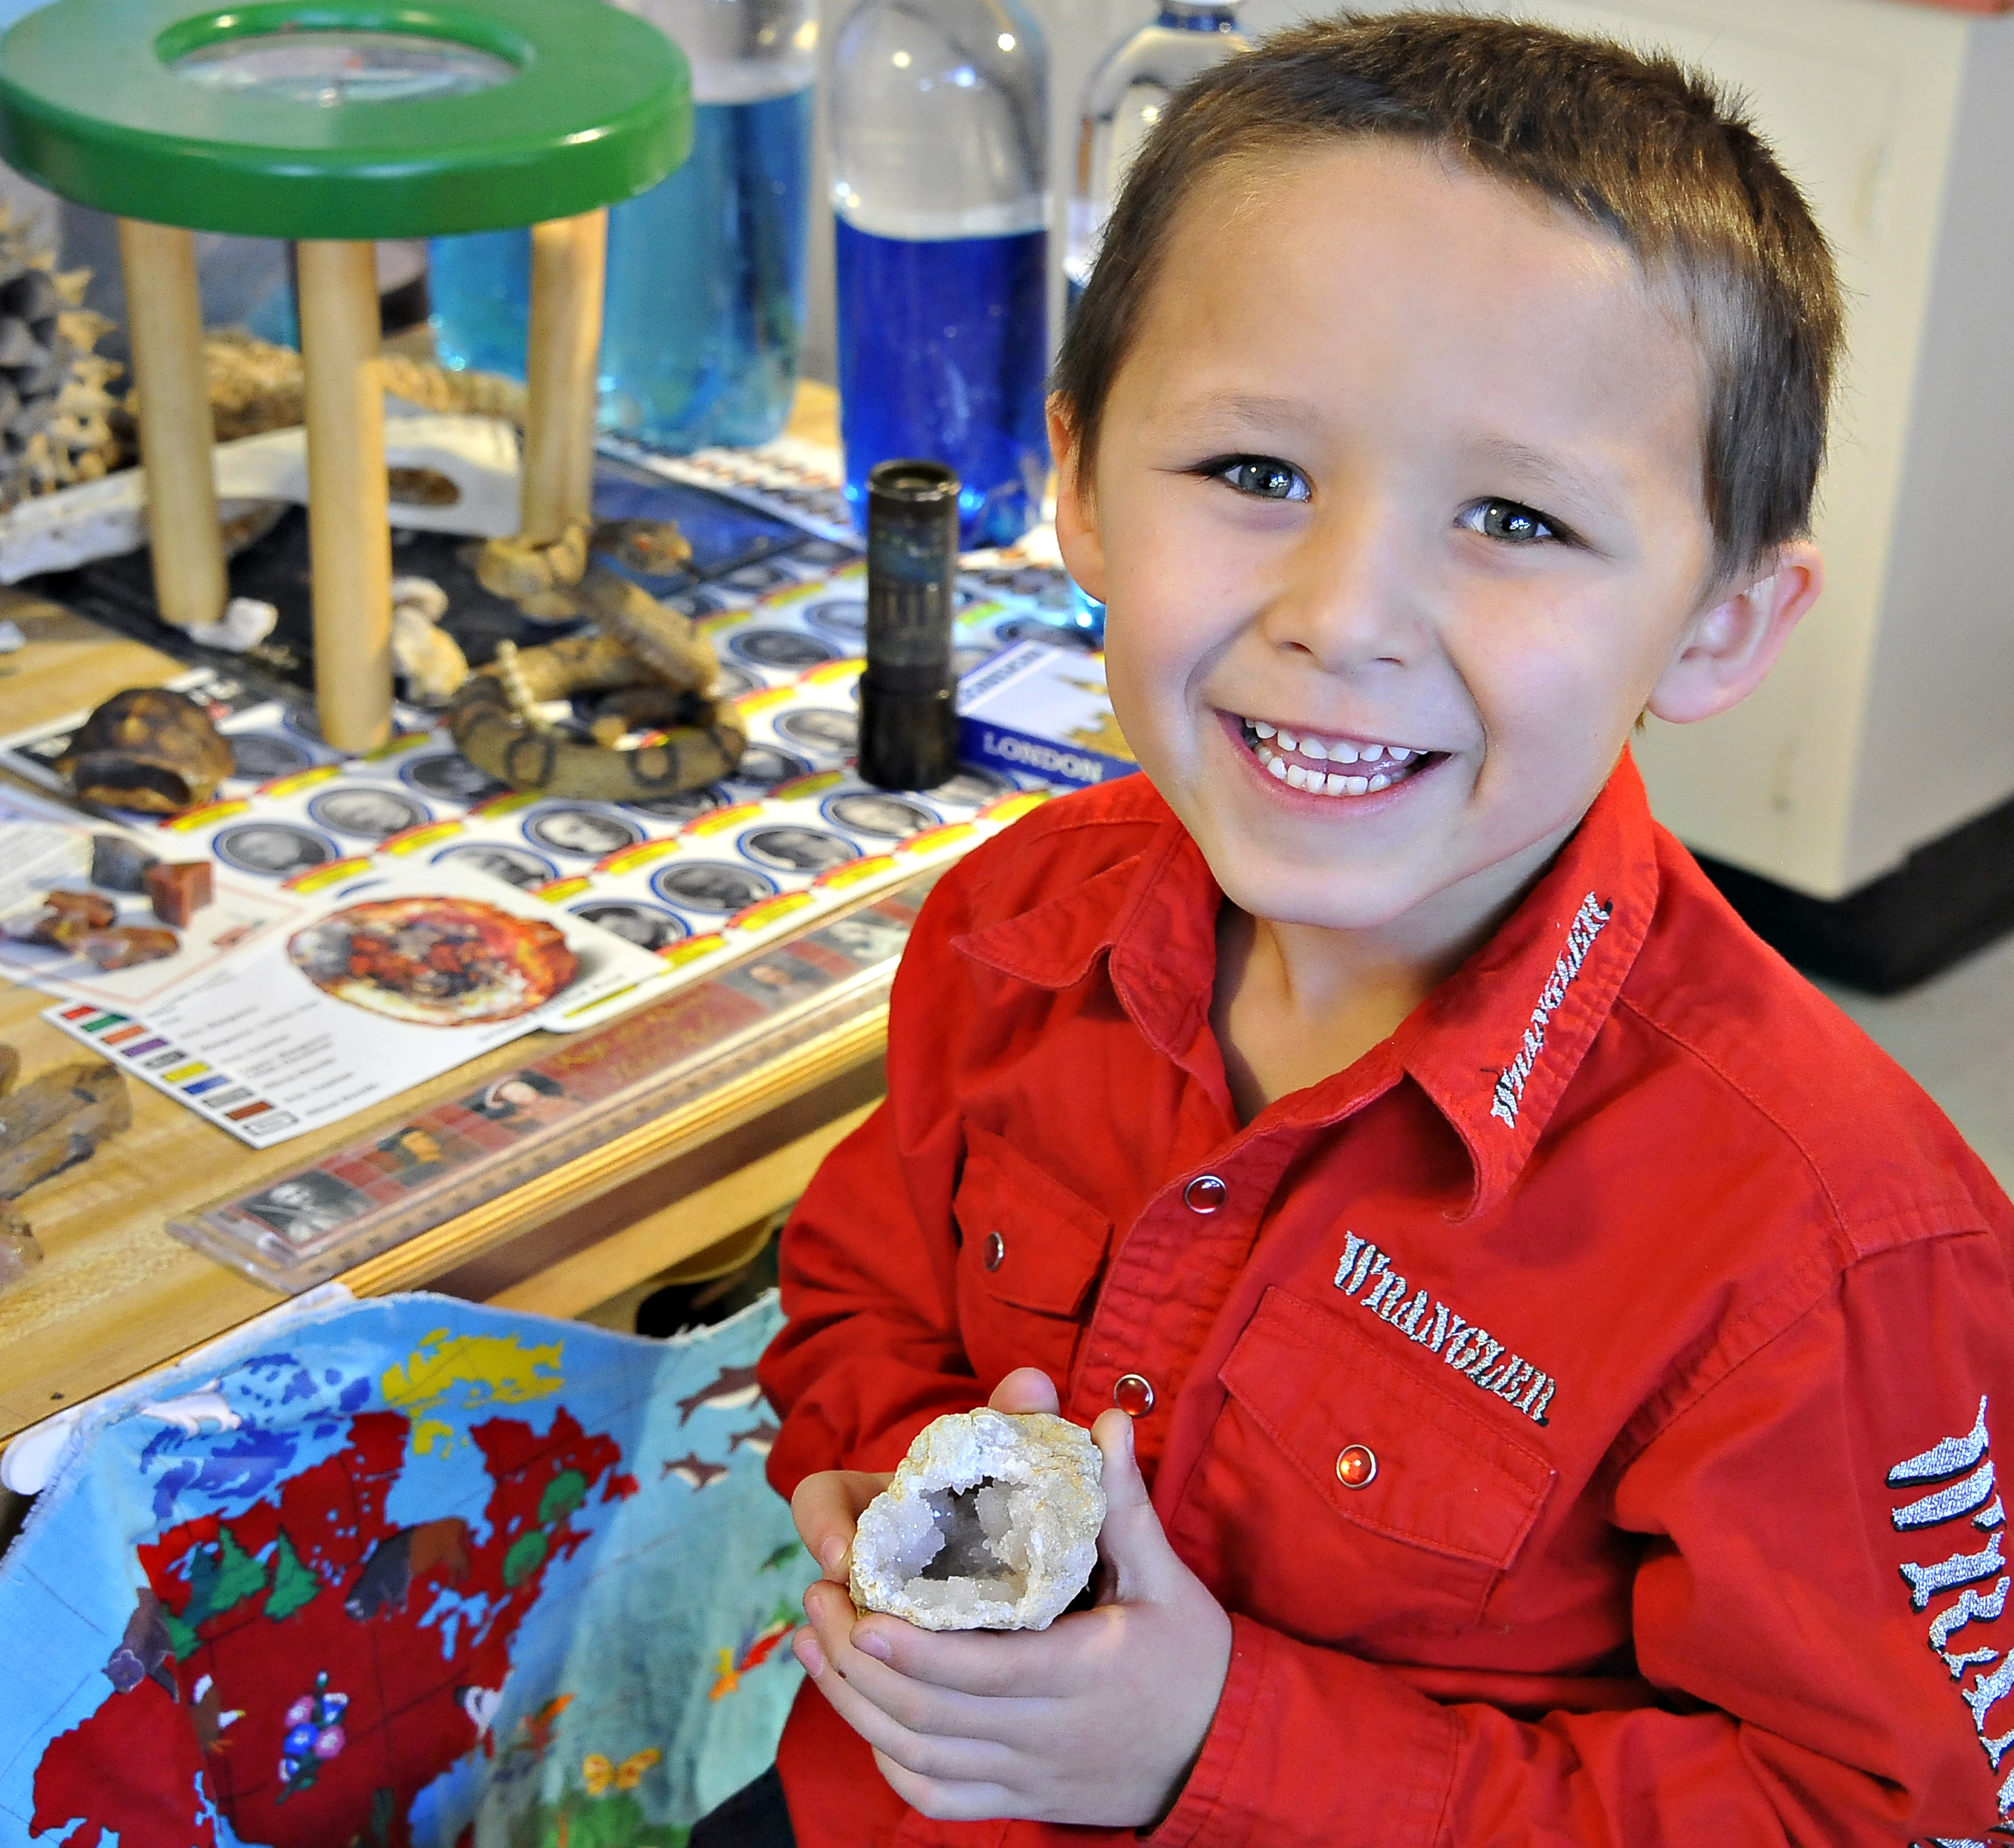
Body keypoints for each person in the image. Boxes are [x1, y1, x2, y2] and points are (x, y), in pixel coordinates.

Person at [745, 14, 2014, 1848]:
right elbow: (861, 1281)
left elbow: (1878, 1814)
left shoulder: (1836, 1254)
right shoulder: (1015, 930)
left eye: (1515, 516)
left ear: (1724, 624)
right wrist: (889, 1470)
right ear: (1087, 485)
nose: (1345, 616)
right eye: (1256, 474)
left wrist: (1220, 1749)